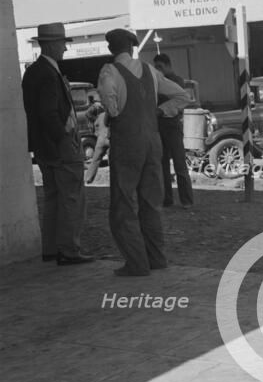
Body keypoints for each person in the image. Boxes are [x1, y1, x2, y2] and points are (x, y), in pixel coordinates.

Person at [97, 29, 190, 276]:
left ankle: (136, 263)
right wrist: (160, 111)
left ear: (111, 49)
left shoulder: (109, 71)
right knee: (150, 202)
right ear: (132, 47)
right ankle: (157, 258)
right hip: (153, 140)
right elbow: (182, 96)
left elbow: (111, 103)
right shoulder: (150, 70)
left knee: (124, 203)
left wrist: (114, 114)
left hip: (127, 142)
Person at [21, 22, 94, 265]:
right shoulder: (49, 73)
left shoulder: (33, 71)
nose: (64, 48)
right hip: (60, 146)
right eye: (62, 43)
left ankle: (51, 249)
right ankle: (69, 250)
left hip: (43, 147)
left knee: (53, 197)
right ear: (52, 44)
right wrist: (65, 139)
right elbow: (49, 114)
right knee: (72, 197)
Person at [153, 53, 194, 208]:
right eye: (156, 67)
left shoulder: (177, 81)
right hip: (160, 127)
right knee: (162, 165)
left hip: (173, 127)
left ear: (168, 65)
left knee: (179, 164)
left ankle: (186, 200)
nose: (158, 70)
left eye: (160, 67)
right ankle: (167, 199)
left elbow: (174, 101)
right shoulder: (157, 81)